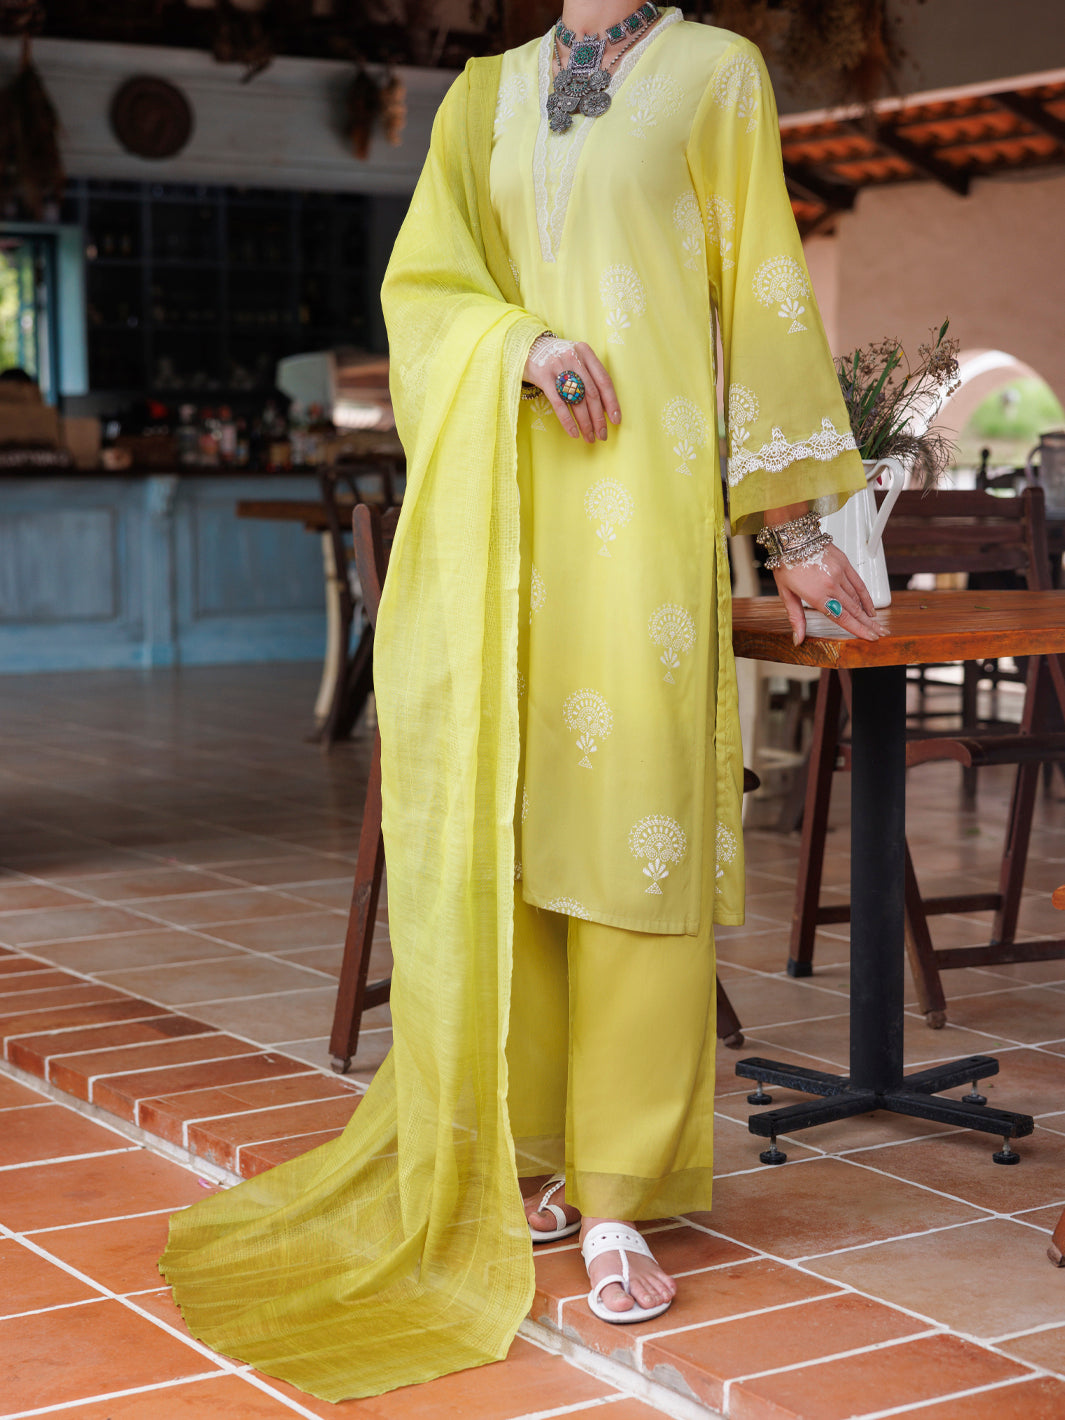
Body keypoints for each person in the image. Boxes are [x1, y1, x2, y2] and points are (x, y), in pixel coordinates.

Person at [159, 3, 880, 1401]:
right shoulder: (481, 95)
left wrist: (794, 530)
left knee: (633, 831)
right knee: (520, 830)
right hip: (502, 527)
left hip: (646, 517)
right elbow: (425, 292)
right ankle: (539, 1152)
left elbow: (765, 297)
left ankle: (621, 1190)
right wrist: (525, 350)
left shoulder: (714, 73)